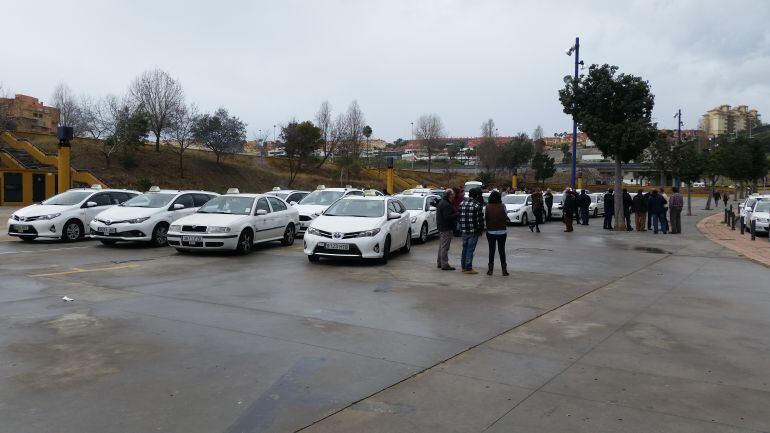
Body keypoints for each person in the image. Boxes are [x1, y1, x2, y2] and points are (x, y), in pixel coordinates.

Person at [458, 187, 484, 274]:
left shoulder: (462, 203)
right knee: (470, 249)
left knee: (464, 248)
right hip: (473, 230)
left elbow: (459, 217)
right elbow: (480, 220)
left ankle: (463, 267)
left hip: (464, 230)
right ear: (476, 195)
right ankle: (468, 267)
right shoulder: (477, 205)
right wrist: (480, 229)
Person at [484, 190, 508, 276]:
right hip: (502, 231)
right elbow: (505, 216)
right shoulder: (503, 206)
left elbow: (486, 217)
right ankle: (504, 270)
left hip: (490, 231)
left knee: (491, 250)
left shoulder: (487, 207)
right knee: (502, 250)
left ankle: (490, 270)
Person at [436, 189, 457, 270]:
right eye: (453, 194)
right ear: (449, 195)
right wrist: (457, 214)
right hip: (446, 228)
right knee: (445, 246)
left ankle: (440, 262)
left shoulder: (442, 202)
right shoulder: (446, 204)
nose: (454, 195)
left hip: (442, 227)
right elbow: (447, 217)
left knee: (442, 246)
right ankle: (444, 264)